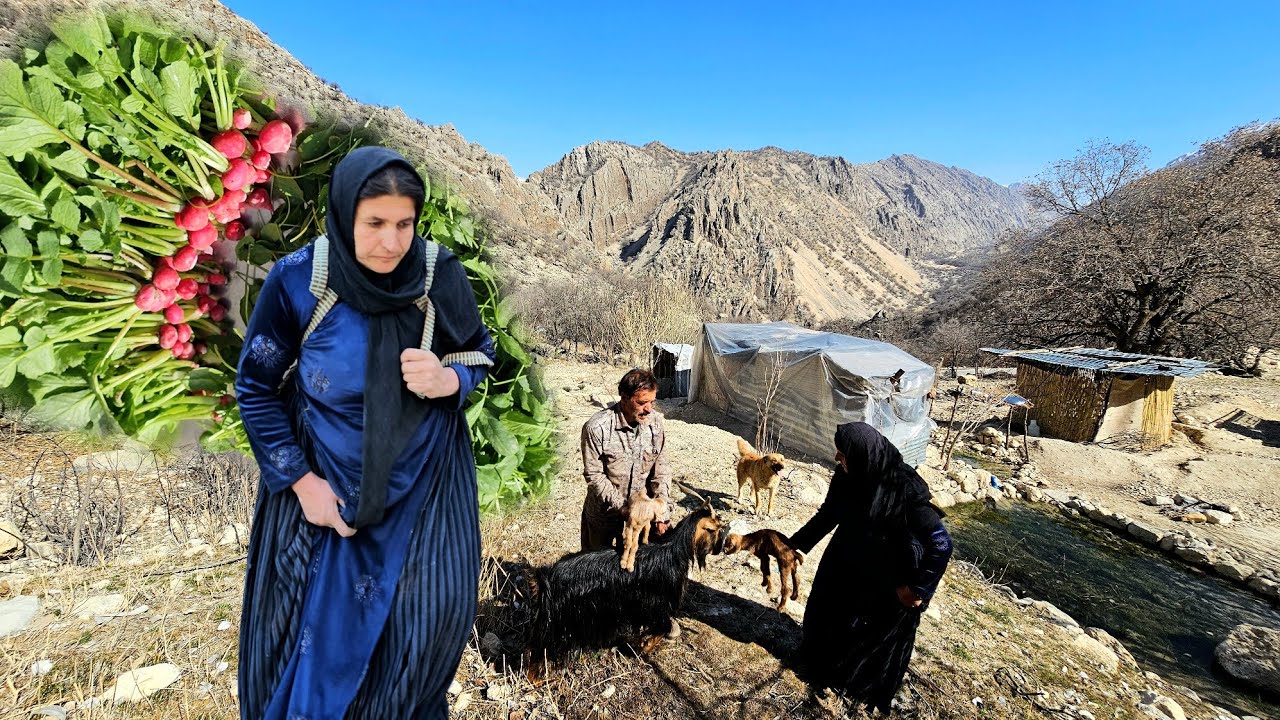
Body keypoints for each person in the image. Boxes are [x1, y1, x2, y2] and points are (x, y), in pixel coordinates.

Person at [235, 146, 496, 720]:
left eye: (405, 223)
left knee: (419, 632)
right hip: (326, 495)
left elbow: (480, 353)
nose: (391, 242)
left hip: (424, 492)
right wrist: (303, 485)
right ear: (345, 212)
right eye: (374, 223)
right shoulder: (302, 281)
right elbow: (254, 385)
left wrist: (448, 378)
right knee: (306, 645)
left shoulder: (437, 274)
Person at [787, 422, 953, 713]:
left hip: (887, 570)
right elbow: (829, 514)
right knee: (827, 610)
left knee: (870, 632)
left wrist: (918, 590)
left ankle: (856, 686)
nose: (838, 459)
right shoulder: (847, 475)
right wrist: (794, 545)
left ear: (864, 456)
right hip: (848, 554)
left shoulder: (901, 486)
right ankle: (823, 668)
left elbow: (941, 544)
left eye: (843, 454)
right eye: (838, 453)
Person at [579, 368, 673, 552]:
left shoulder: (655, 423)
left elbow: (661, 469)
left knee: (636, 570)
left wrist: (662, 511)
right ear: (624, 397)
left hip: (642, 518)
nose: (649, 409)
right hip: (604, 516)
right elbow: (594, 475)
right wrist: (624, 508)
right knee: (596, 572)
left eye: (652, 402)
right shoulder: (597, 428)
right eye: (642, 402)